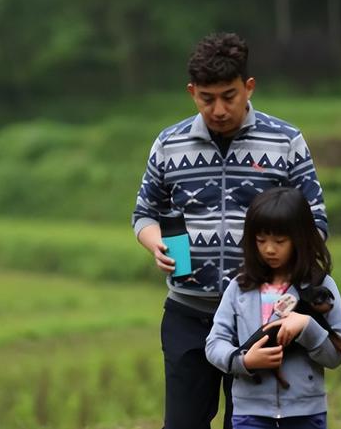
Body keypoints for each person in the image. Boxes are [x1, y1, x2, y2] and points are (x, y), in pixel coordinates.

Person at [131, 32, 328, 429]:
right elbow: (144, 214)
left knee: (248, 424)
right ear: (191, 92)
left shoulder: (285, 141)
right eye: (207, 98)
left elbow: (317, 223)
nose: (218, 109)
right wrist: (156, 245)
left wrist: (284, 283)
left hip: (259, 317)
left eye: (228, 95)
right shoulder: (168, 145)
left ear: (248, 87)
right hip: (189, 312)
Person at [205, 187, 341, 429]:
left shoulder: (319, 286)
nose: (269, 249)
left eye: (280, 241)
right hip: (250, 414)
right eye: (261, 240)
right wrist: (245, 360)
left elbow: (337, 355)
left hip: (306, 414)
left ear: (300, 238)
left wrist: (307, 327)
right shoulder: (239, 287)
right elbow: (214, 344)